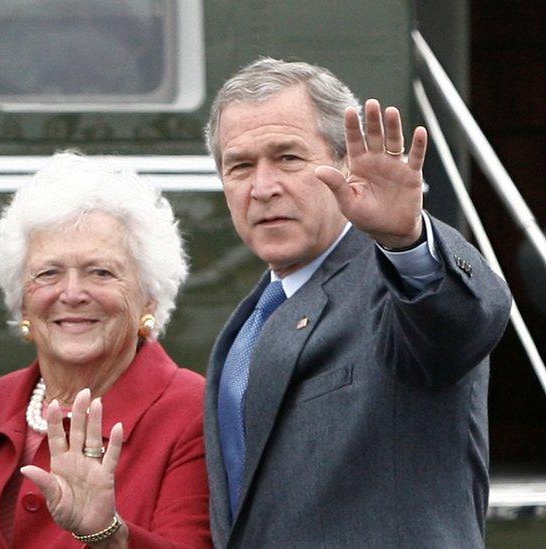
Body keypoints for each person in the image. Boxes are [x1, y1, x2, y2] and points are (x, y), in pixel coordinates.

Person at [202, 57, 512, 547]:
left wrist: (406, 242)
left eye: (288, 158)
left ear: (345, 163)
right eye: (240, 166)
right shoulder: (246, 326)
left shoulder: (393, 282)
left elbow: (464, 320)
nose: (262, 188)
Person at [0, 152, 211, 547]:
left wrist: (109, 536)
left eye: (101, 272)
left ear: (149, 299)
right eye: (48, 273)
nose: (72, 294)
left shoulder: (194, 413)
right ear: (22, 300)